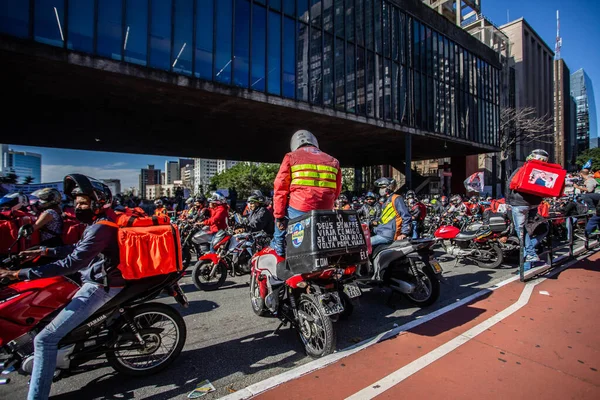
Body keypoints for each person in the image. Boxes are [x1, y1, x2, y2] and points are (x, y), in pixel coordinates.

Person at [0, 174, 123, 400]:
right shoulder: (96, 223)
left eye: (83, 202)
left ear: (99, 201)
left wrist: (20, 273)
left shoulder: (102, 227)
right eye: (76, 202)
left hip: (100, 285)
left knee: (44, 339)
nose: (78, 206)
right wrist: (45, 251)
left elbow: (74, 262)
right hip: (91, 277)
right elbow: (78, 248)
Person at [271, 130, 342, 256]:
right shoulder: (333, 161)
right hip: (325, 210)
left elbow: (280, 189)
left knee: (280, 221)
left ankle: (280, 251)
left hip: (299, 209)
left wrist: (279, 216)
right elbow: (336, 191)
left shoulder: (291, 157)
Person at [507, 149, 550, 271]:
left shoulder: (522, 169)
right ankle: (527, 259)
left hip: (519, 203)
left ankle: (530, 253)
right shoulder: (544, 172)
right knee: (525, 227)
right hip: (534, 204)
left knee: (520, 230)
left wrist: (507, 201)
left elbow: (508, 184)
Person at [369, 177, 411, 246]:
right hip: (381, 232)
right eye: (380, 188)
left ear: (389, 188)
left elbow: (406, 216)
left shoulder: (396, 198)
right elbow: (384, 219)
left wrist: (404, 233)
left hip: (388, 234)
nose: (380, 190)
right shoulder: (385, 200)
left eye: (383, 187)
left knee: (365, 244)